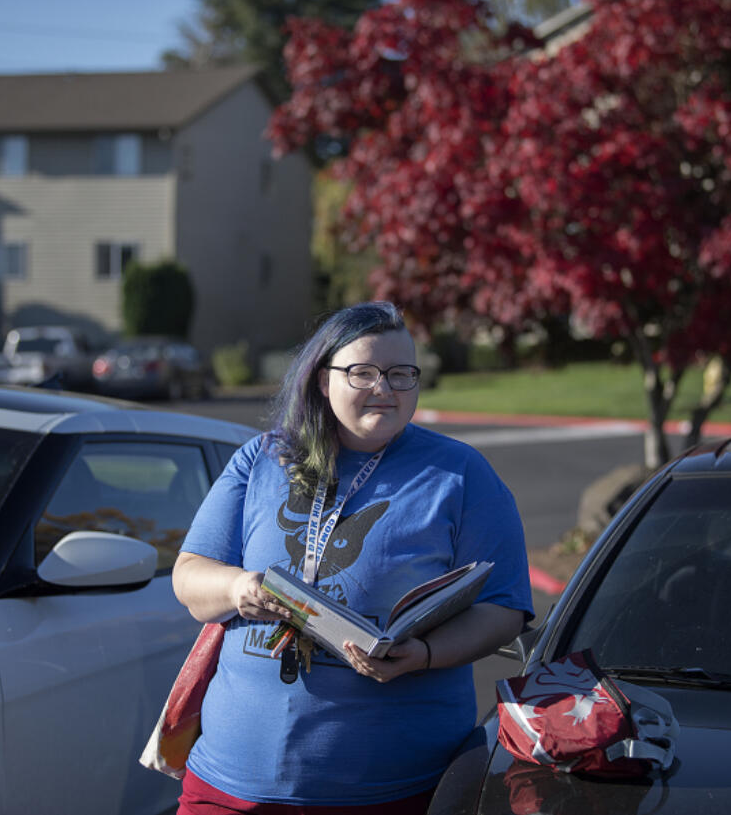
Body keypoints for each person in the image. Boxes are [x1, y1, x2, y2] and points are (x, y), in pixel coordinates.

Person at [172, 301, 533, 813]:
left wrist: (423, 655)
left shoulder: (461, 473)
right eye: (363, 372)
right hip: (227, 786)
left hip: (389, 791)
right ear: (323, 379)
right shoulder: (262, 458)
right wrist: (239, 588)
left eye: (402, 374)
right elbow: (189, 578)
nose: (385, 389)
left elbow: (504, 609)